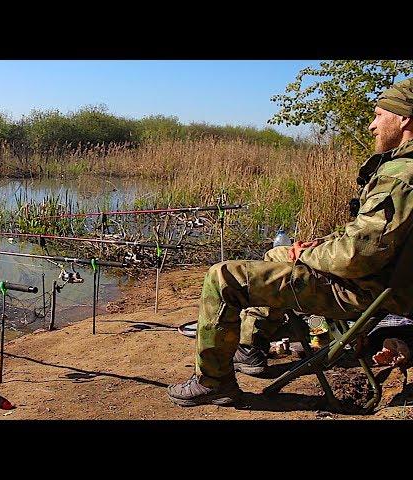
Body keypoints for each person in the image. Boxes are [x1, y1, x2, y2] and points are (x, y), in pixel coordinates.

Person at [167, 78, 413, 407]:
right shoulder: (401, 171)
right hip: (381, 283)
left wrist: (309, 256)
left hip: (364, 291)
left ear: (404, 120)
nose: (372, 125)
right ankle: (250, 346)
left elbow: (356, 256)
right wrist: (314, 246)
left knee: (223, 277)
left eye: (379, 114)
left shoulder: (400, 177)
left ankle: (213, 382)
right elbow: (367, 239)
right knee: (277, 253)